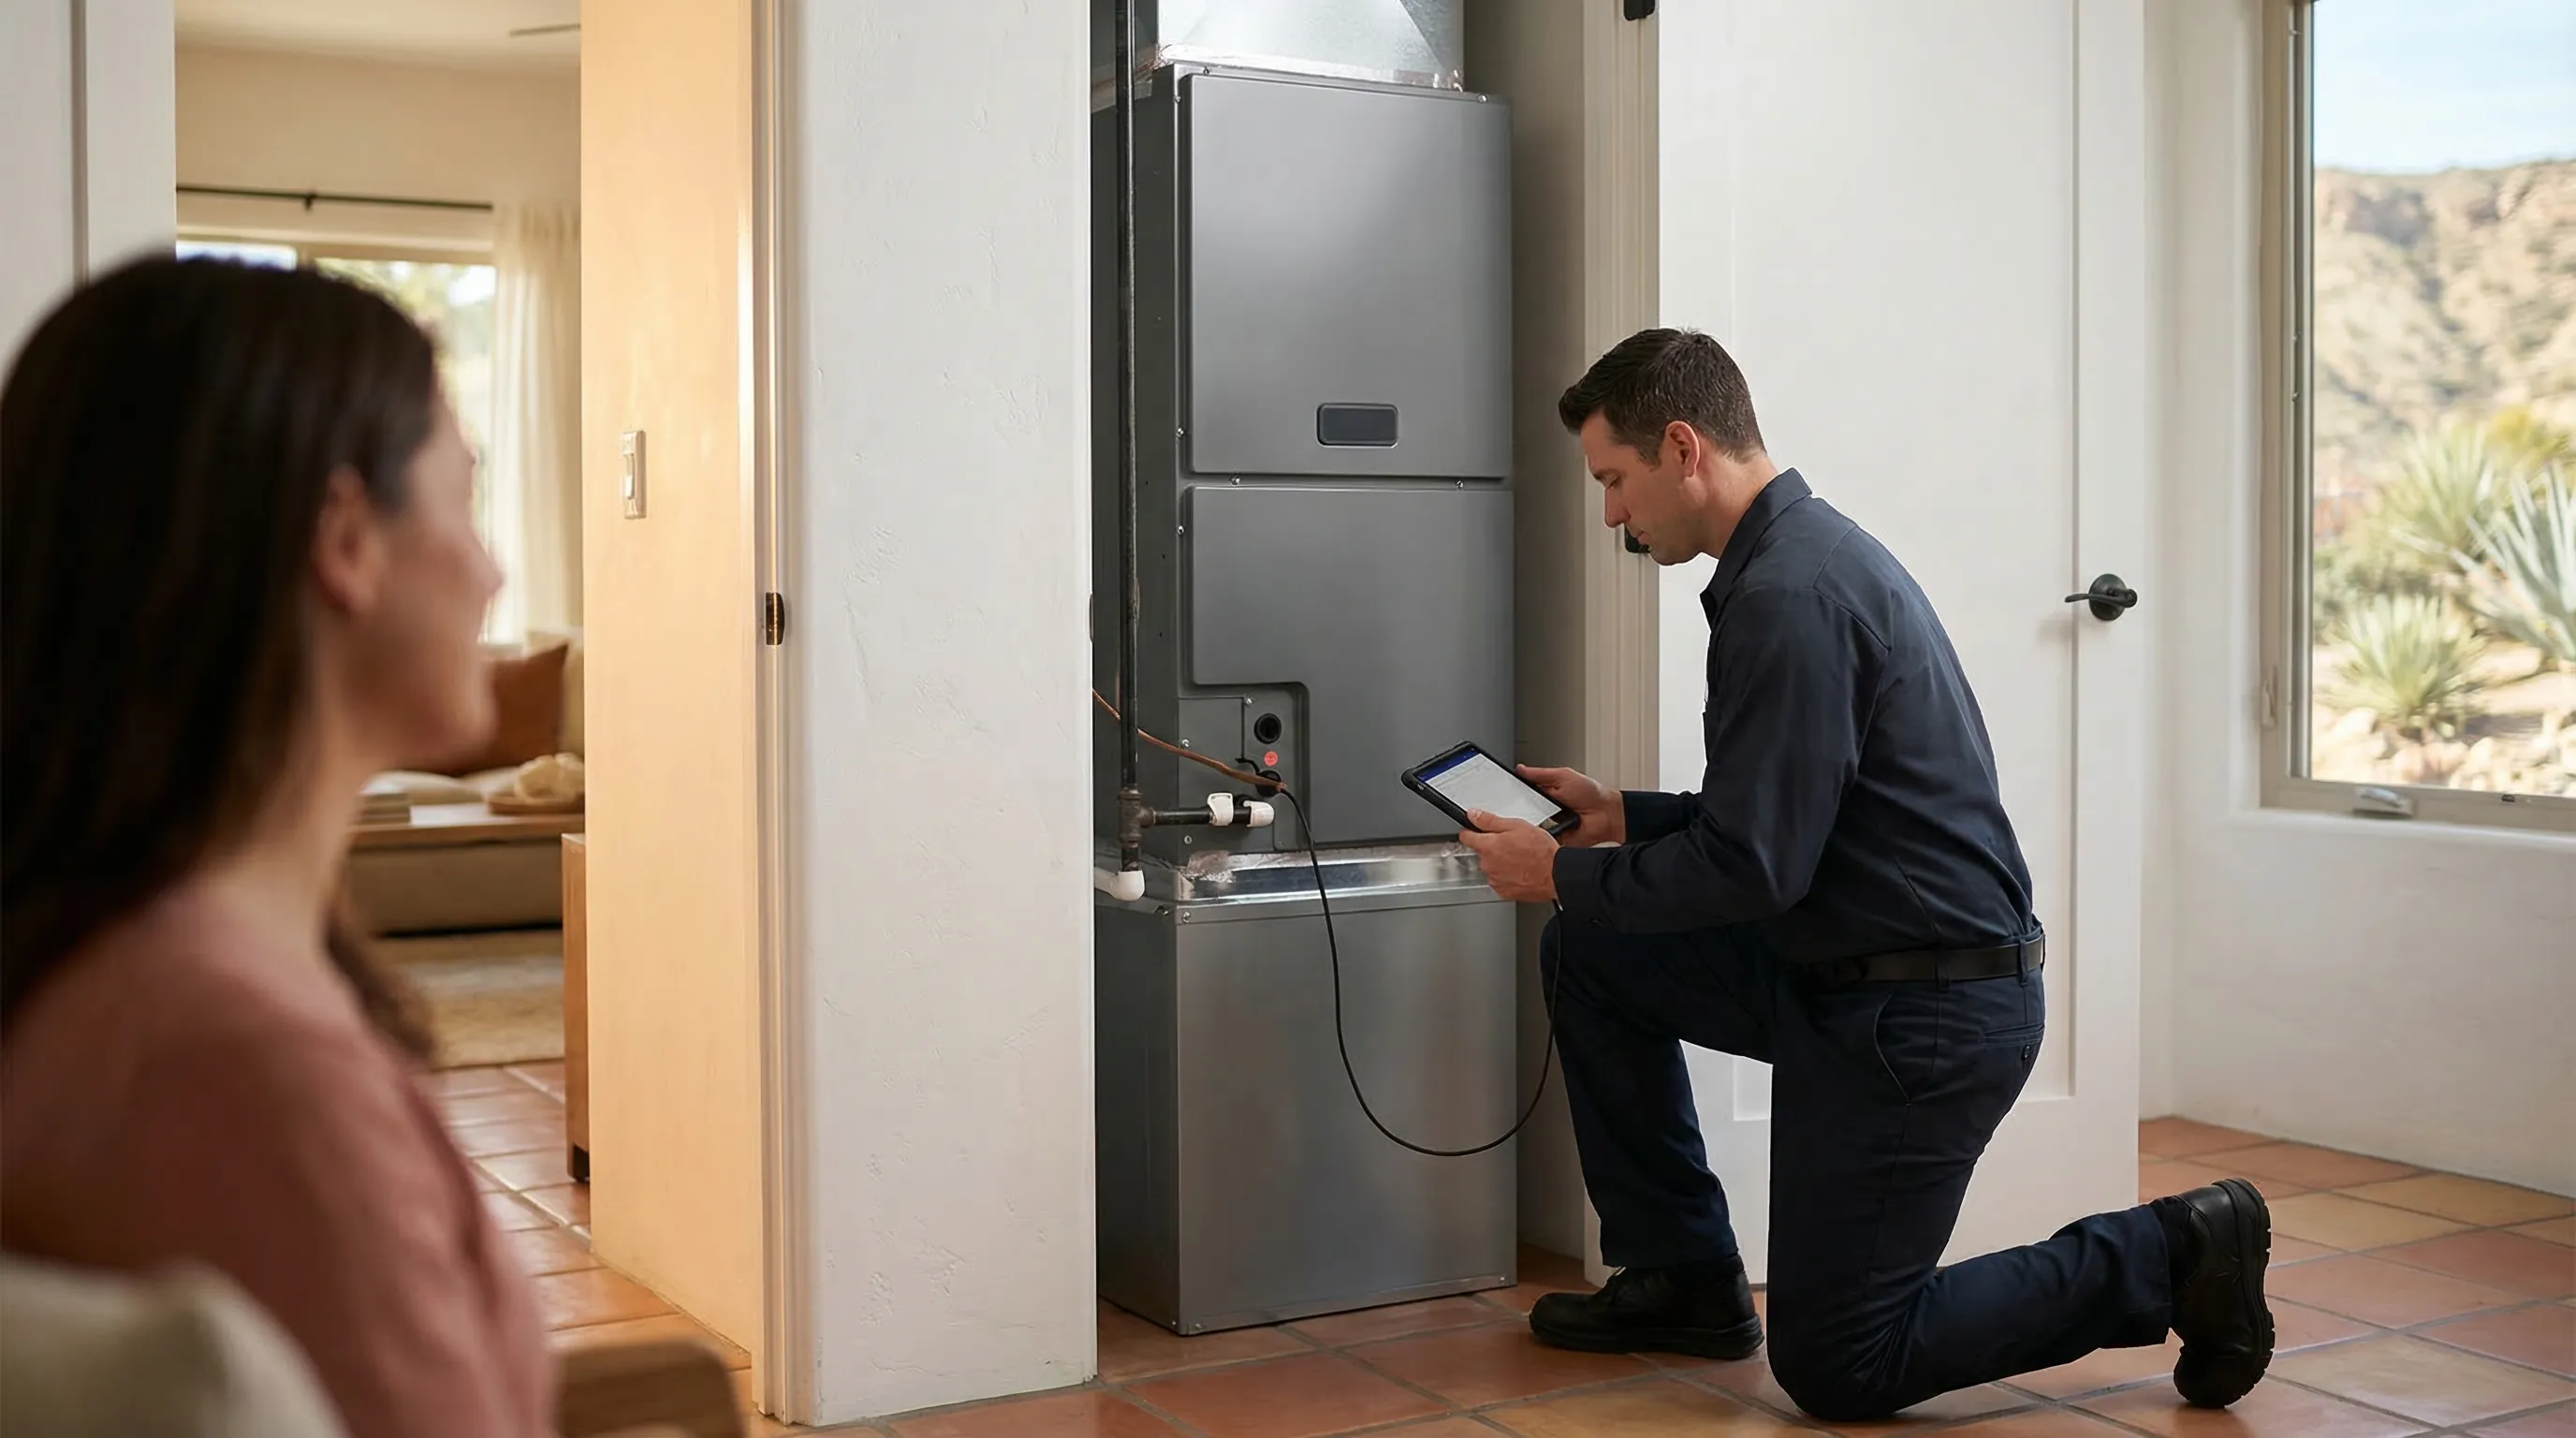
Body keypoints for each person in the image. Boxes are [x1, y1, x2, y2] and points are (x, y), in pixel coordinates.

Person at [1456, 329, 2273, 1421]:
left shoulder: (1791, 597)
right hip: (1843, 965)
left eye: (1613, 479)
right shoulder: (1794, 562)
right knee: (1597, 950)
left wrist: (1557, 873)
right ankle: (1685, 1279)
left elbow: (1752, 866)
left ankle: (2173, 1249)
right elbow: (1789, 821)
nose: (1610, 513)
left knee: (1842, 1363)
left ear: (1683, 448)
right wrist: (1619, 818)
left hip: (1919, 1011)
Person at [0, 257, 552, 1437]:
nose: (492, 569)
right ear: (344, 540)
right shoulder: (248, 1079)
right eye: (463, 501)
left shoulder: (101, 953)